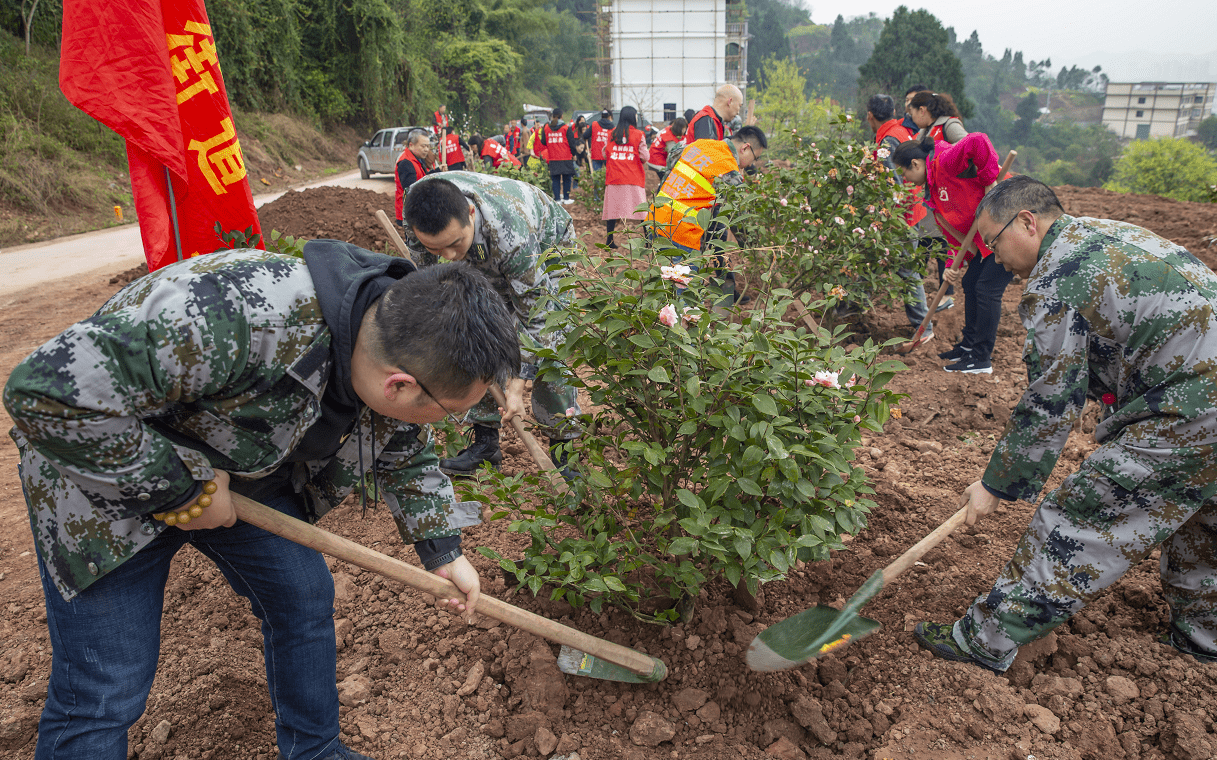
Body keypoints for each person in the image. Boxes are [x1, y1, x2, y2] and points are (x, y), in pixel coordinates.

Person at [5, 247, 521, 760]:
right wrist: (183, 493)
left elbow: (405, 450)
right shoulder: (235, 315)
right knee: (105, 685)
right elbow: (45, 391)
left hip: (240, 462)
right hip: (105, 472)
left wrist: (444, 552)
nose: (442, 423)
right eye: (448, 412)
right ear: (400, 384)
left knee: (302, 599)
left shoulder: (393, 333)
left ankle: (314, 751)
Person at [915, 175, 1217, 671]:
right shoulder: (1102, 235)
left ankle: (985, 640)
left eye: (993, 242)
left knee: (1079, 520)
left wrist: (996, 484)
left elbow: (1051, 400)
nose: (993, 257)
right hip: (1197, 395)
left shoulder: (1059, 279)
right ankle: (1205, 642)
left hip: (1193, 408)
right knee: (1205, 523)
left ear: (1027, 222)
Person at [402, 173, 583, 478]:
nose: (449, 256)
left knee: (553, 342)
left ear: (470, 213)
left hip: (549, 246)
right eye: (437, 248)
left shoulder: (513, 236)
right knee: (475, 331)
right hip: (487, 247)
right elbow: (427, 279)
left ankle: (562, 450)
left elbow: (537, 318)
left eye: (455, 243)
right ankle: (486, 445)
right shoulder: (416, 216)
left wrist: (516, 385)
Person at [892, 132, 1009, 374]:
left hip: (1007, 227)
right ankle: (968, 347)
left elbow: (978, 140)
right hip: (984, 237)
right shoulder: (933, 188)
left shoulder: (945, 162)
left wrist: (991, 186)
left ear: (915, 164)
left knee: (986, 289)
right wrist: (953, 266)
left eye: (904, 173)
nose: (905, 179)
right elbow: (955, 228)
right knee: (970, 281)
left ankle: (981, 359)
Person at [646, 124, 767, 305]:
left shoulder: (701, 145)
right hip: (681, 231)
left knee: (661, 286)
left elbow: (672, 158)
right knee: (683, 297)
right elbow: (738, 213)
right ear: (745, 148)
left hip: (655, 219)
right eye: (755, 158)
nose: (751, 164)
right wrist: (752, 249)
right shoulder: (728, 167)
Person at [865, 93, 941, 339]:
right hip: (912, 211)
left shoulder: (888, 140)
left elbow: (894, 185)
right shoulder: (899, 131)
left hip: (903, 217)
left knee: (907, 270)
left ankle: (924, 327)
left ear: (869, 116)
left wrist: (889, 219)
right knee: (869, 261)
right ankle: (848, 306)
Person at [602, 106, 648, 250]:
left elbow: (605, 154)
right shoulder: (639, 135)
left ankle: (610, 240)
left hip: (614, 178)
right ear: (632, 117)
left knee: (612, 210)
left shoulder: (611, 134)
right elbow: (645, 156)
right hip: (633, 178)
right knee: (642, 211)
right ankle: (648, 240)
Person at [394, 128, 438, 228]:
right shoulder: (406, 163)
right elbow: (411, 191)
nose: (426, 149)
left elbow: (422, 178)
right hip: (410, 213)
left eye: (428, 146)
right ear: (411, 145)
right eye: (423, 146)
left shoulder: (416, 160)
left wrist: (438, 172)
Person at [541, 109, 577, 205]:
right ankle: (566, 198)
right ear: (561, 116)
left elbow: (543, 141)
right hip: (565, 157)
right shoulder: (566, 128)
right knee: (567, 178)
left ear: (552, 116)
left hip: (553, 157)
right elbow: (572, 143)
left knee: (555, 179)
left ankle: (557, 199)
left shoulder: (546, 128)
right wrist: (574, 154)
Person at [646, 116, 687, 185]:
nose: (685, 130)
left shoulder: (669, 129)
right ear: (681, 128)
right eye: (685, 128)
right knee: (668, 180)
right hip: (657, 161)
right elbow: (673, 155)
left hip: (653, 156)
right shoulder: (669, 139)